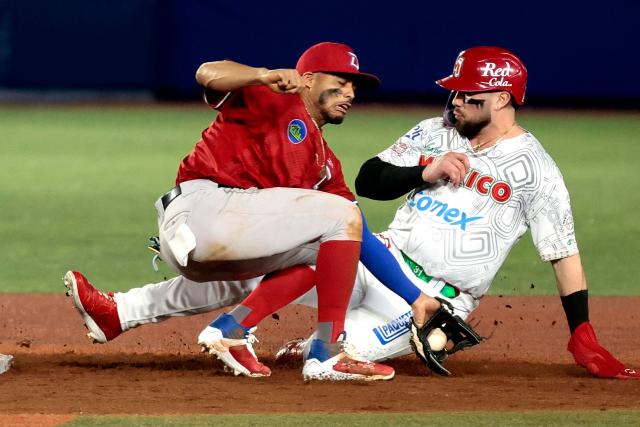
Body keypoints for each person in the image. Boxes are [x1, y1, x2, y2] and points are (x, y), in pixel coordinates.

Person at [67, 46, 639, 379]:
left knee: (311, 270)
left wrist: (581, 333)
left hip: (427, 286)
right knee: (321, 235)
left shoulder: (535, 168)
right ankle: (315, 347)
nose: (456, 102)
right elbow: (368, 181)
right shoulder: (418, 128)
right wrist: (425, 171)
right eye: (456, 93)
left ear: (504, 100)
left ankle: (142, 315)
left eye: (469, 96)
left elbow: (563, 251)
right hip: (275, 229)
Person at [65, 41, 442, 382]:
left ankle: (129, 313)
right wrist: (260, 77)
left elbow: (354, 236)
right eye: (341, 80)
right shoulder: (272, 98)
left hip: (214, 241)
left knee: (325, 256)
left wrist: (417, 298)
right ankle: (326, 353)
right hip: (200, 208)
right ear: (307, 79)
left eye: (354, 87)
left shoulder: (326, 165)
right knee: (336, 222)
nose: (350, 92)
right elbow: (207, 72)